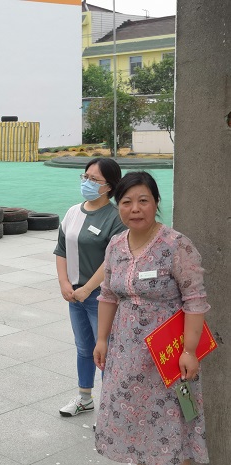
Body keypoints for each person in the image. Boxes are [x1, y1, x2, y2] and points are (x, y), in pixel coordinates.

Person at [93, 172, 210, 465]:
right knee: (130, 416)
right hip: (125, 353)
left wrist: (189, 351)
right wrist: (102, 339)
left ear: (156, 202)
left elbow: (195, 300)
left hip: (167, 353)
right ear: (117, 206)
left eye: (143, 200)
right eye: (126, 202)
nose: (135, 209)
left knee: (172, 421)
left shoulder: (176, 245)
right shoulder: (115, 245)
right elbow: (108, 295)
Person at [54, 158, 125, 417]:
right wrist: (64, 283)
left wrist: (87, 289)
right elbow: (61, 249)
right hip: (75, 295)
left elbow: (112, 260)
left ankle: (109, 405)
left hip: (100, 296)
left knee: (104, 350)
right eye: (85, 177)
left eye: (94, 180)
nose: (87, 183)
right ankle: (85, 398)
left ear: (109, 186)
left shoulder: (115, 218)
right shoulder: (73, 212)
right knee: (83, 347)